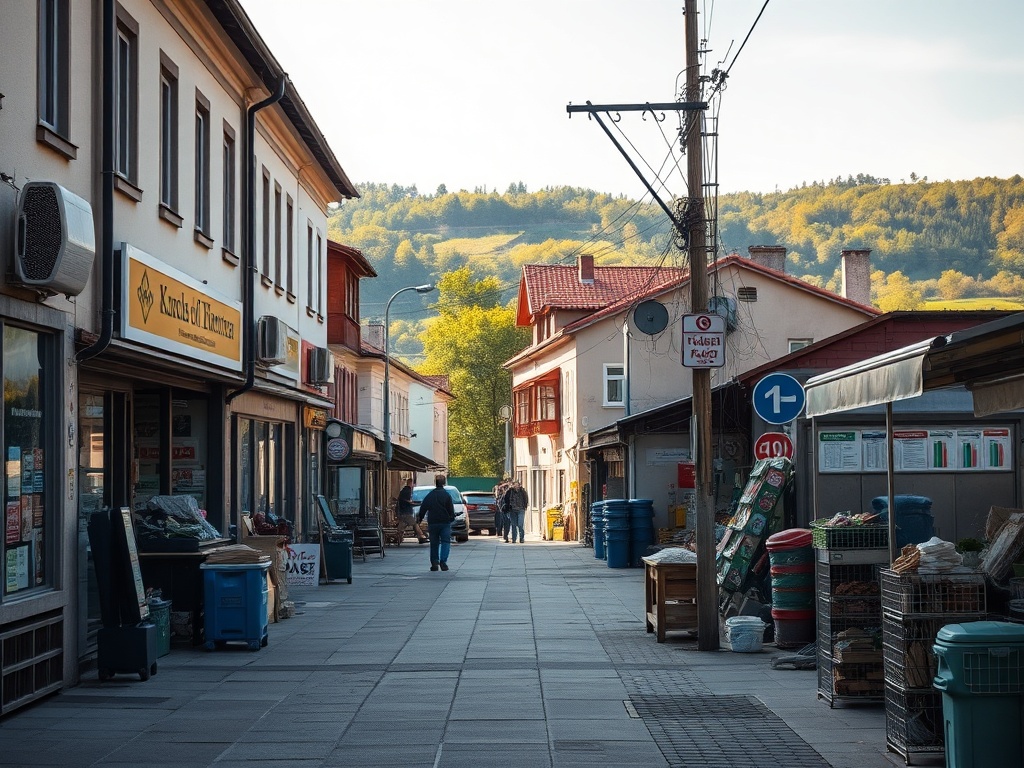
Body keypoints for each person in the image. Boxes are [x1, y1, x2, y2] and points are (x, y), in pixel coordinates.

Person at [416, 474, 456, 571]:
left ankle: (434, 562)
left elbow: (423, 508)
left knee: (434, 543)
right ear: (444, 483)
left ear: (435, 483)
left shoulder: (430, 495)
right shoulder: (447, 495)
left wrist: (419, 519)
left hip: (433, 523)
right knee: (445, 542)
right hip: (444, 523)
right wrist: (451, 518)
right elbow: (451, 510)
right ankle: (443, 562)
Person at [396, 478, 427, 543]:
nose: (414, 485)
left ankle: (398, 537)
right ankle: (421, 537)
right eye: (413, 483)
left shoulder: (404, 490)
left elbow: (405, 500)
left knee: (402, 525)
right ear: (411, 483)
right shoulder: (408, 490)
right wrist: (414, 503)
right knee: (414, 524)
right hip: (406, 512)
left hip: (402, 511)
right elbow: (407, 501)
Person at [501, 479, 528, 544]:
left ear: (519, 485)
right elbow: (506, 499)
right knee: (513, 525)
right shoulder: (510, 491)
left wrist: (525, 506)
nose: (516, 486)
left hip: (521, 509)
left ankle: (521, 538)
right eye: (515, 485)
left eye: (517, 485)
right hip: (512, 510)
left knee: (520, 524)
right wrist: (508, 507)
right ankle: (514, 539)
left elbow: (526, 499)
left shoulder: (522, 491)